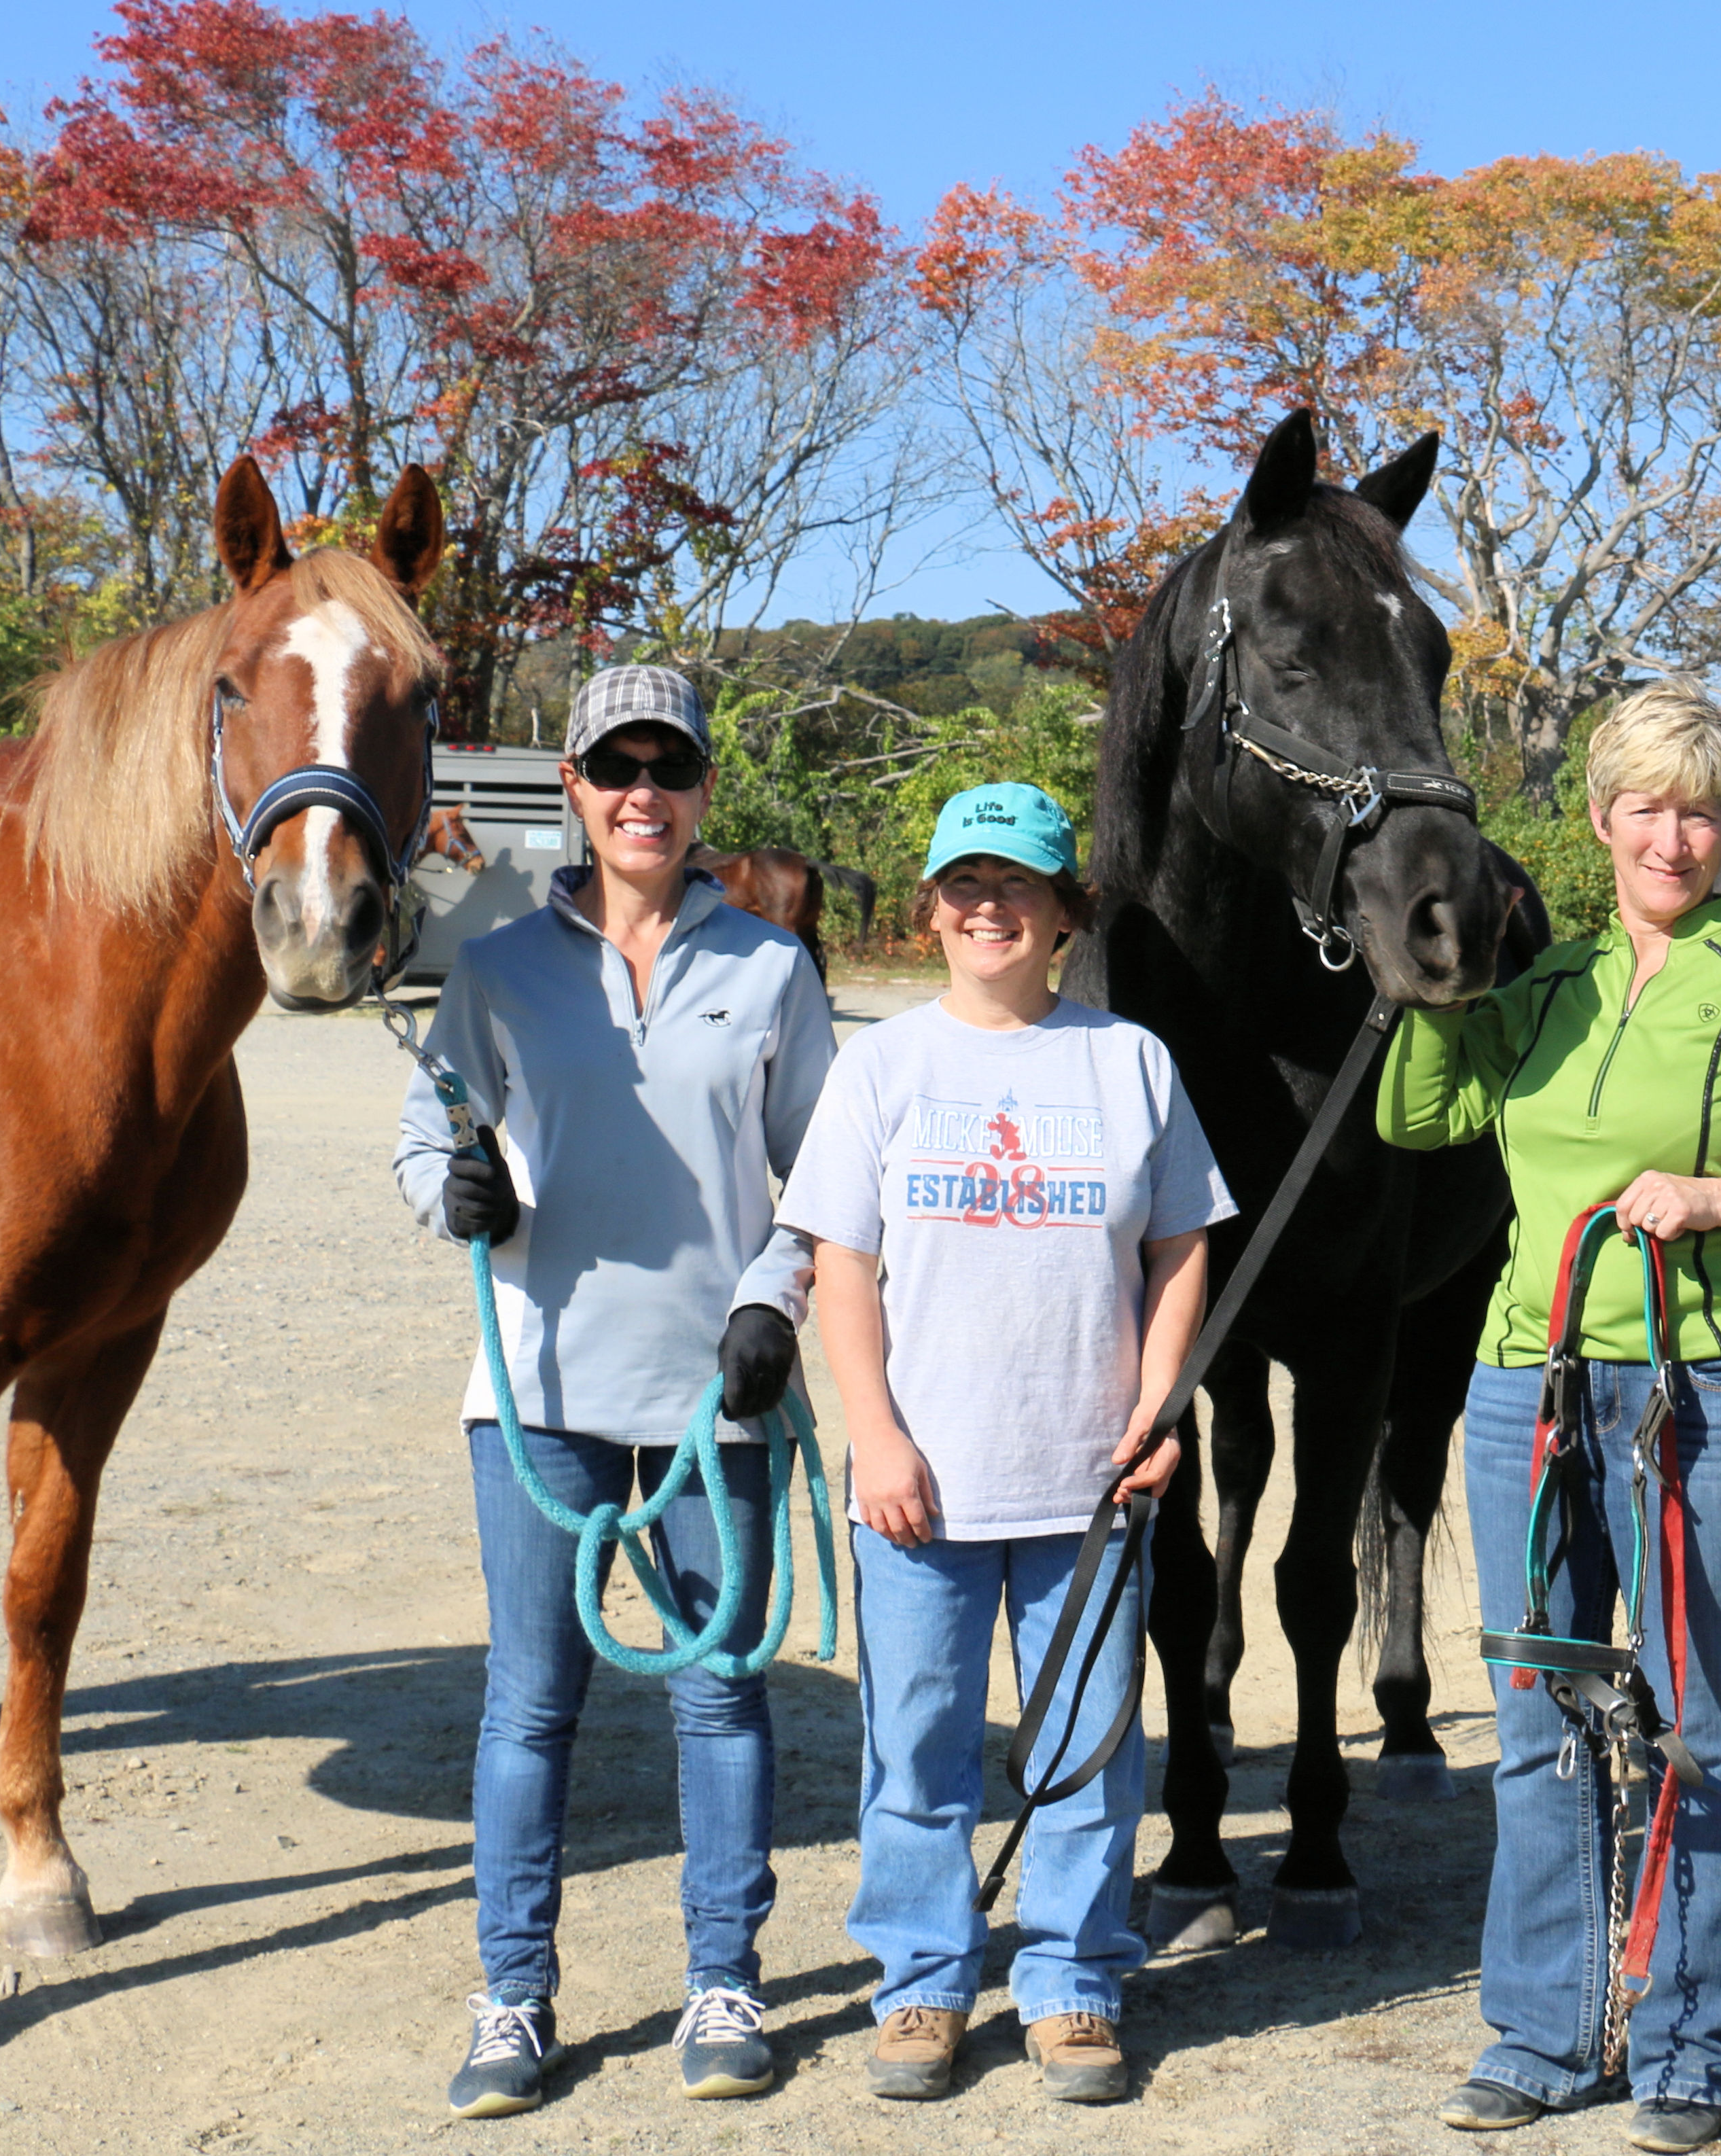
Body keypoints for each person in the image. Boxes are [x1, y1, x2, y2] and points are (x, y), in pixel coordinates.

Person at [1378, 684, 1721, 2153]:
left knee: (1697, 1729)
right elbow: (1417, 1121)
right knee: (1540, 1716)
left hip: (1719, 1389)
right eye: (1642, 806)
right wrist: (1436, 988)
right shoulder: (1542, 988)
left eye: (1697, 808)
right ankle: (1539, 2035)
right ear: (1599, 818)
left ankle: (1688, 2046)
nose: (1669, 837)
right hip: (1527, 1391)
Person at [393, 663, 838, 2119]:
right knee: (529, 1709)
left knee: (719, 1700)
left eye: (671, 765)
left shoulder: (771, 969)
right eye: (613, 766)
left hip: (719, 1401)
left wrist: (775, 1299)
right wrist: (451, 1193)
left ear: (705, 789)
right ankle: (511, 1997)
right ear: (576, 789)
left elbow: (824, 1176)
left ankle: (726, 1979)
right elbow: (431, 1132)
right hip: (536, 1401)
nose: (643, 790)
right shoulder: (499, 969)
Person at [777, 781, 1232, 2107]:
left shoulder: (1126, 1062)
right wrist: (873, 1435)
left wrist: (1159, 1411)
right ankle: (921, 1981)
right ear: (929, 914)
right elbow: (840, 1264)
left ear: (1063, 916)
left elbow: (1182, 1247)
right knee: (916, 1743)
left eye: (1018, 887)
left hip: (1086, 1484)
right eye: (964, 887)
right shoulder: (882, 1067)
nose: (990, 908)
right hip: (922, 1482)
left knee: (1081, 1749)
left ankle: (1074, 1983)